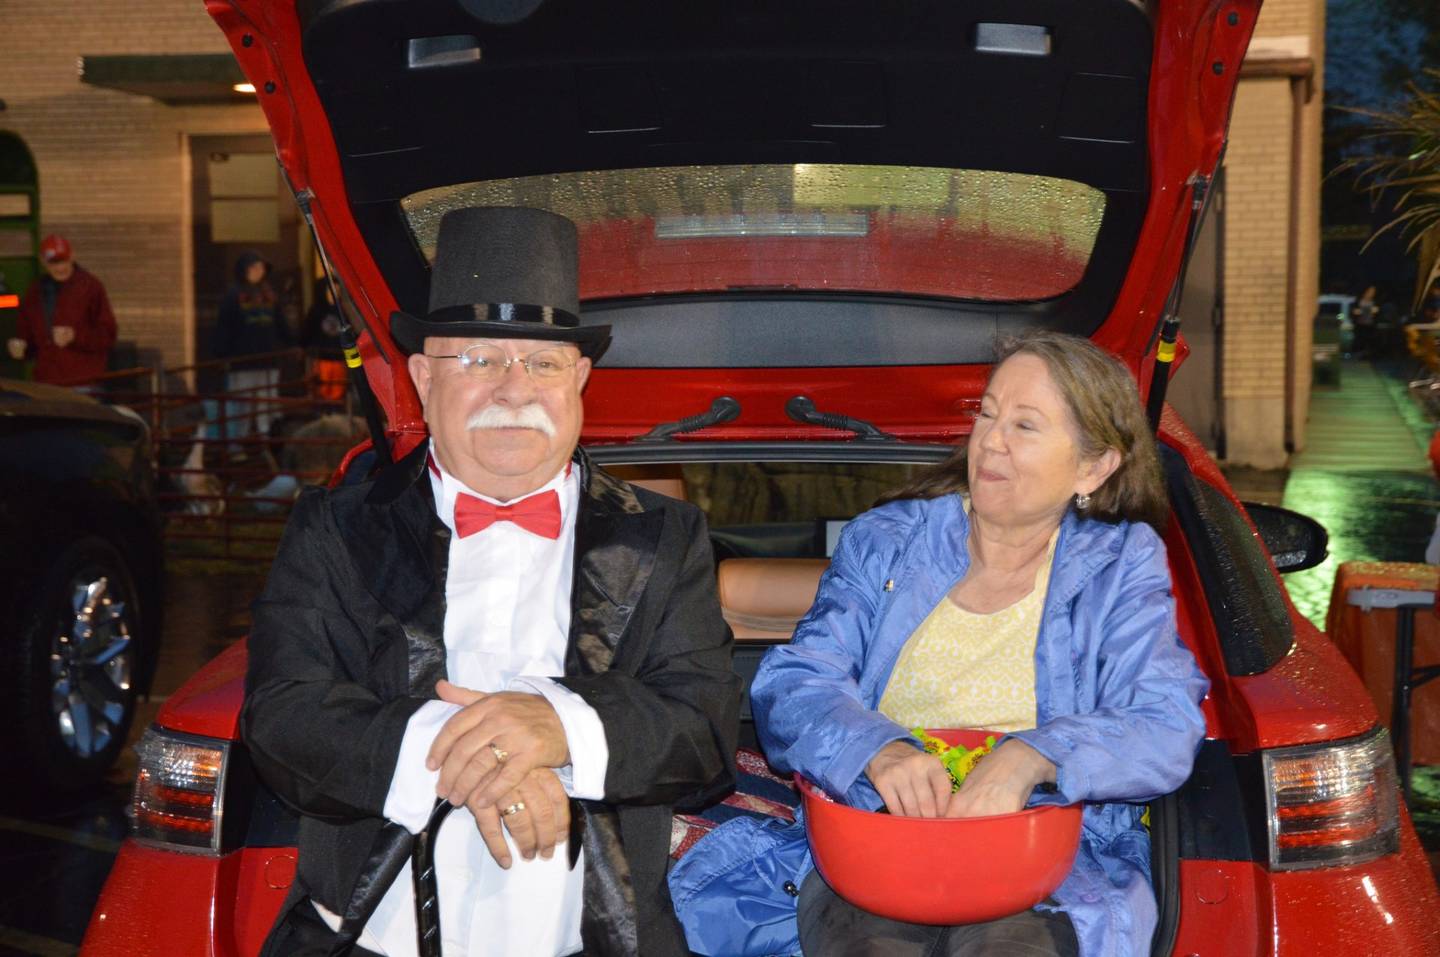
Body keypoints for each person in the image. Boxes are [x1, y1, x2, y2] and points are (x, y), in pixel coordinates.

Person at [242, 206, 740, 957]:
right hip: (368, 938)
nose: (515, 388)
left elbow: (704, 732)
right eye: (478, 359)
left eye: (542, 363)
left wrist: (559, 726)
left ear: (579, 379)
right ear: (420, 377)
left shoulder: (665, 537)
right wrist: (473, 753)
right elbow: (283, 719)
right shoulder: (333, 528)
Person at [670, 332, 1209, 957]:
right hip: (874, 843)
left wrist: (1030, 757)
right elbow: (795, 681)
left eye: (1025, 425)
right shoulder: (889, 540)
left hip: (1045, 860)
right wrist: (878, 751)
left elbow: (1165, 722)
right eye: (987, 413)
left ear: (1094, 466)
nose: (992, 439)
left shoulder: (1121, 565)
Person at [7, 234, 117, 386]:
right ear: (43, 262)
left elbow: (108, 335)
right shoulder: (35, 292)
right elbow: (29, 338)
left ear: (72, 256)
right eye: (54, 263)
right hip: (47, 382)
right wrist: (21, 348)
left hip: (83, 382)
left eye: (64, 261)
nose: (60, 268)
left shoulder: (91, 287)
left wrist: (75, 337)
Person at [215, 251, 289, 440]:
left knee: (267, 403)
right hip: (243, 362)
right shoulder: (233, 296)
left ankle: (266, 441)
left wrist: (292, 343)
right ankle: (238, 444)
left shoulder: (270, 295)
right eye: (254, 267)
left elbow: (281, 323)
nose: (258, 271)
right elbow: (224, 326)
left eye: (261, 267)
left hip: (268, 361)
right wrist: (222, 355)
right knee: (243, 406)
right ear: (244, 270)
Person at [301, 277, 348, 401]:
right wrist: (304, 347)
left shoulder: (342, 311)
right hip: (322, 358)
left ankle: (335, 411)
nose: (335, 294)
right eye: (332, 290)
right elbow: (308, 331)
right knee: (321, 389)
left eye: (337, 291)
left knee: (338, 389)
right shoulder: (317, 310)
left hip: (338, 358)